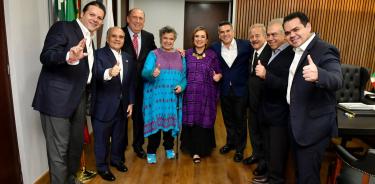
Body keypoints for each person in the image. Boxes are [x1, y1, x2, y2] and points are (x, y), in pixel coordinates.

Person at [32, 2, 105, 183]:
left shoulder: (89, 38)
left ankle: (70, 179)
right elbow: (47, 55)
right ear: (81, 13)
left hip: (78, 98)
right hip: (57, 99)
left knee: (75, 145)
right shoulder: (63, 27)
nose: (95, 19)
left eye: (99, 18)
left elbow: (86, 72)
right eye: (92, 15)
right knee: (59, 149)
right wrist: (68, 56)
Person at [283, 12, 342, 183]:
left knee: (308, 177)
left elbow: (337, 79)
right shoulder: (295, 50)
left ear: (308, 26)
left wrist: (319, 75)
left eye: (296, 29)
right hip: (297, 123)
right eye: (287, 33)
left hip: (312, 128)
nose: (292, 35)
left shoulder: (324, 49)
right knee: (301, 173)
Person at [91, 27, 135, 181]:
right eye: (114, 36)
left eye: (121, 37)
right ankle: (102, 168)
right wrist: (109, 73)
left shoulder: (128, 57)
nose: (118, 39)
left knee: (118, 137)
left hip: (122, 107)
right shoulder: (97, 55)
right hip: (103, 107)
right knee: (101, 140)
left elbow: (130, 83)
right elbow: (94, 75)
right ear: (107, 38)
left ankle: (116, 160)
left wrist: (130, 102)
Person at [254, 18, 294, 184]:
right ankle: (269, 176)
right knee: (269, 149)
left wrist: (266, 75)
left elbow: (288, 86)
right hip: (267, 111)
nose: (270, 38)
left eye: (274, 35)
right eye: (268, 35)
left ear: (285, 35)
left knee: (277, 151)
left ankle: (275, 180)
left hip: (280, 114)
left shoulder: (291, 55)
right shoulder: (273, 52)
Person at [142, 26, 186, 164]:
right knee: (156, 125)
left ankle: (169, 148)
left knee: (170, 125)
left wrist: (182, 86)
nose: (168, 41)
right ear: (161, 38)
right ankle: (151, 151)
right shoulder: (153, 54)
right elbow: (144, 73)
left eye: (171, 38)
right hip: (155, 97)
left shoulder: (180, 55)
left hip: (172, 97)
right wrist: (152, 73)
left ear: (174, 40)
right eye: (165, 38)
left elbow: (184, 76)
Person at [211, 21, 252, 162]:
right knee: (228, 119)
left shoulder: (246, 45)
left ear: (233, 31)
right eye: (222, 32)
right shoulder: (215, 47)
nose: (225, 34)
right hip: (224, 89)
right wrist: (183, 52)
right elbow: (201, 53)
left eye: (227, 30)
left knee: (240, 120)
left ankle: (240, 149)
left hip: (241, 89)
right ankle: (230, 143)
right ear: (219, 34)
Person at [180, 26, 222, 163]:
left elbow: (219, 72)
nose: (199, 39)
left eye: (202, 36)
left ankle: (199, 150)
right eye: (197, 36)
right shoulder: (186, 54)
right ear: (193, 39)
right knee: (191, 120)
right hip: (189, 95)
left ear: (207, 40)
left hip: (206, 96)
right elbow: (180, 72)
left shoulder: (212, 55)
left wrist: (219, 76)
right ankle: (190, 148)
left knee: (202, 120)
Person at [121, 8, 157, 159]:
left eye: (140, 18)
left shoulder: (149, 37)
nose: (137, 21)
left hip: (143, 84)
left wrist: (177, 53)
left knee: (140, 117)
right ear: (128, 19)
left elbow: (156, 55)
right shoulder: (119, 33)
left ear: (144, 20)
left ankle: (138, 145)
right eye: (134, 17)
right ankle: (120, 148)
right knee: (122, 117)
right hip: (123, 84)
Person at [244, 24, 272, 177]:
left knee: (263, 135)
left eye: (257, 36)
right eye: (252, 36)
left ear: (265, 36)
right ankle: (256, 154)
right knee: (253, 132)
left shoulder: (270, 53)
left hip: (264, 104)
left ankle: (263, 163)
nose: (254, 39)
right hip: (252, 102)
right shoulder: (253, 52)